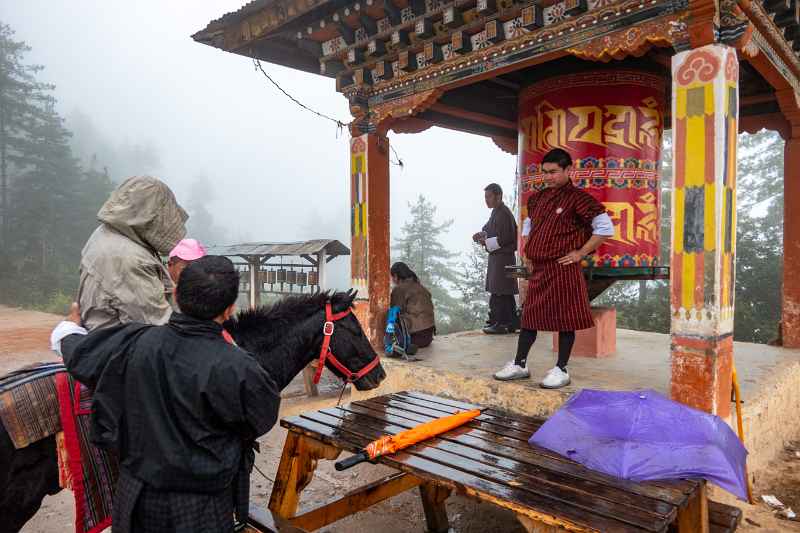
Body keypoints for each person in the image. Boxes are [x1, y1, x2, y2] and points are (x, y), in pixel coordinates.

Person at [50, 256, 281, 533]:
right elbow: (261, 419)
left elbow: (80, 356)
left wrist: (68, 328)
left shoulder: (133, 341)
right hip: (201, 507)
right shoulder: (240, 368)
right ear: (230, 309)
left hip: (135, 497)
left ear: (175, 295)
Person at [494, 148, 614, 388]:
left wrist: (580, 252)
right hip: (539, 268)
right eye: (545, 173)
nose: (548, 177)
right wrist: (528, 250)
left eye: (553, 172)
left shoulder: (579, 199)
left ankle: (561, 368)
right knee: (530, 316)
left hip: (563, 267)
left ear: (569, 170)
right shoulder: (537, 199)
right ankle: (520, 364)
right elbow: (529, 226)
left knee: (565, 319)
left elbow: (604, 227)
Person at [78, 176, 188, 331]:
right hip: (121, 348)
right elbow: (156, 325)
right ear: (149, 215)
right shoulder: (126, 258)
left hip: (108, 338)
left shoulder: (109, 234)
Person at [472, 183, 518, 334]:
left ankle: (500, 323)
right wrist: (481, 234)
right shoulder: (496, 212)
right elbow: (488, 229)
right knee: (503, 291)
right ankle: (511, 322)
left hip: (503, 258)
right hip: (498, 258)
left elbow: (506, 237)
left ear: (498, 196)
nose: (486, 200)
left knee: (500, 291)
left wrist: (486, 241)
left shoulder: (504, 213)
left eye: (489, 197)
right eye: (485, 197)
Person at [390, 262, 435, 348]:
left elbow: (395, 312)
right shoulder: (421, 287)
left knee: (390, 315)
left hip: (414, 338)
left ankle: (397, 343)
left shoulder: (399, 289)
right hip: (428, 337)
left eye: (392, 277)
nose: (392, 280)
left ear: (395, 276)